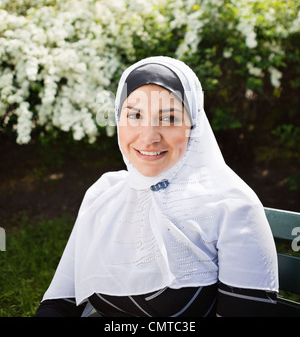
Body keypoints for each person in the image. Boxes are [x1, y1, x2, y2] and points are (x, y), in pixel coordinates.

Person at [36, 56, 278, 317]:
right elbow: (59, 302)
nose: (149, 137)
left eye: (170, 117)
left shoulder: (233, 206)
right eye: (134, 115)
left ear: (193, 125)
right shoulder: (104, 192)